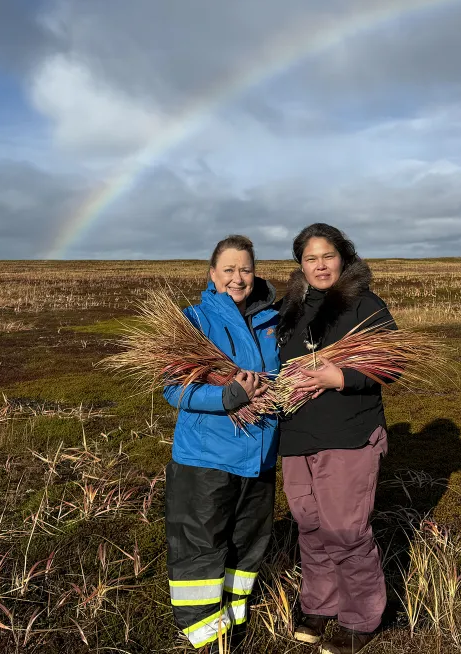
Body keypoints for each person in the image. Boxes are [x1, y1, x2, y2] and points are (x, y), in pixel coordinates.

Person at [276, 223, 396, 654]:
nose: (320, 265)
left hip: (348, 436)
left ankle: (360, 618)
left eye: (327, 255)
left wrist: (341, 376)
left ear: (343, 257)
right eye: (310, 258)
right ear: (300, 265)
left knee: (345, 531)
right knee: (310, 527)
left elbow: (391, 363)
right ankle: (319, 604)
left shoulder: (366, 305)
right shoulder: (288, 309)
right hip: (297, 437)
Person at [163, 235, 281, 650]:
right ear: (212, 274)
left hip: (260, 460)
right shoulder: (193, 321)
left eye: (245, 269)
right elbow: (174, 390)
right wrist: (227, 397)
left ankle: (232, 622)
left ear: (255, 272)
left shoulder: (275, 322)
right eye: (228, 269)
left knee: (246, 548)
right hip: (206, 460)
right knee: (201, 550)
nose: (237, 277)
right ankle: (204, 639)